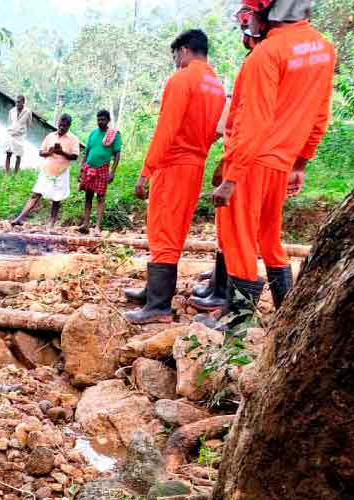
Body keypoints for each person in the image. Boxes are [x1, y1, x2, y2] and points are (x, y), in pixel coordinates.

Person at [210, 0, 335, 324]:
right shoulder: (322, 49)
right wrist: (300, 163)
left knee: (239, 241)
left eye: (250, 12)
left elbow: (254, 121)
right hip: (281, 162)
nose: (247, 19)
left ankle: (238, 328)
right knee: (269, 238)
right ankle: (286, 317)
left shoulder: (265, 55)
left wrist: (231, 177)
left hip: (251, 161)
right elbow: (321, 114)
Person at [123, 29, 226, 325]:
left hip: (173, 163)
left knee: (162, 229)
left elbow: (166, 129)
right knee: (175, 228)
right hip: (195, 164)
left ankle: (158, 305)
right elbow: (215, 133)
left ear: (184, 50)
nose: (175, 61)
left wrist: (146, 172)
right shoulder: (217, 87)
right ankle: (153, 291)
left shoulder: (182, 79)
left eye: (175, 56)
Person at [189, 5, 264, 314]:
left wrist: (229, 170)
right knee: (232, 231)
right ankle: (222, 290)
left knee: (238, 233)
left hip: (247, 158)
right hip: (245, 155)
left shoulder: (263, 62)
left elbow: (248, 124)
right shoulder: (259, 62)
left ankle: (233, 306)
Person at [10, 114, 79, 228]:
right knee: (35, 194)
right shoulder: (50, 136)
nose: (62, 128)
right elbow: (41, 153)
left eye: (65, 126)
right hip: (47, 170)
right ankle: (20, 218)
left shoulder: (73, 139)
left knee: (57, 198)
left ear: (69, 126)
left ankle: (51, 223)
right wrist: (50, 152)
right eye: (60, 125)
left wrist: (62, 152)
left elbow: (75, 156)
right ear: (58, 123)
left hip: (61, 171)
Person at [78, 110, 122, 235]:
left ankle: (97, 227)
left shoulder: (114, 135)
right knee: (88, 196)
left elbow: (117, 154)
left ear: (108, 120)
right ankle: (85, 224)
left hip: (103, 168)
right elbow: (87, 152)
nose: (100, 122)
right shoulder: (93, 133)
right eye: (98, 119)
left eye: (103, 120)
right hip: (89, 168)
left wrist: (112, 172)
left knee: (101, 197)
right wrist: (82, 169)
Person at [5, 95, 31, 175]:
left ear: (23, 102)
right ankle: (7, 173)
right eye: (16, 101)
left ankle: (16, 174)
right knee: (8, 153)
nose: (17, 103)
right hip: (11, 134)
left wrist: (22, 130)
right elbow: (9, 122)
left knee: (18, 155)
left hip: (20, 136)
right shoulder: (12, 111)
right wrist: (11, 130)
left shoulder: (28, 112)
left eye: (19, 101)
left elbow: (29, 124)